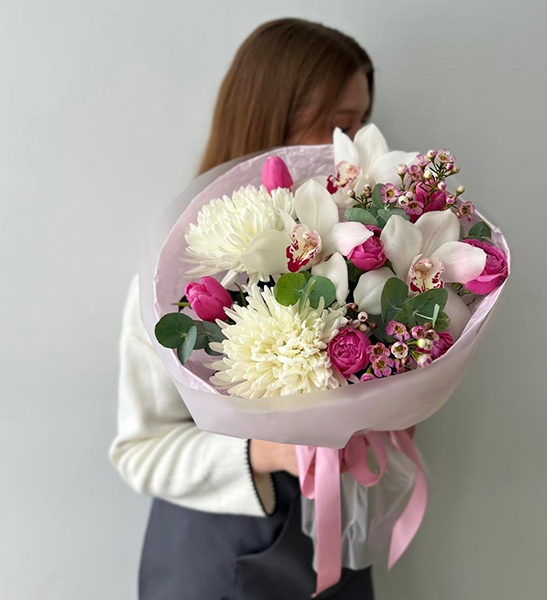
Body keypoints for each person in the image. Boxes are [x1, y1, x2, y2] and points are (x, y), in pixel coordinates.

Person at [110, 18, 379, 600]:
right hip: (216, 562)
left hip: (333, 547)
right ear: (273, 117)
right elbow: (140, 449)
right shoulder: (176, 277)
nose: (352, 144)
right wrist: (269, 452)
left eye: (361, 122)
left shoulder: (364, 255)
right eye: (338, 122)